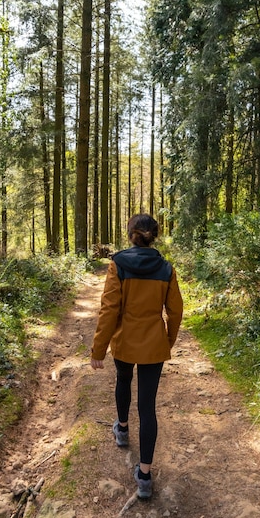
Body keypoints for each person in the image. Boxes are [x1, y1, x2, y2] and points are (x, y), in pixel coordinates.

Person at [90, 214, 183, 499]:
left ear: (130, 234)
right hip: (153, 344)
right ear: (153, 236)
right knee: (147, 406)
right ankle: (144, 476)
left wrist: (98, 349)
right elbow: (176, 311)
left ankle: (122, 429)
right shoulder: (166, 268)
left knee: (122, 379)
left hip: (125, 341)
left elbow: (109, 310)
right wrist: (166, 340)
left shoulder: (118, 265)